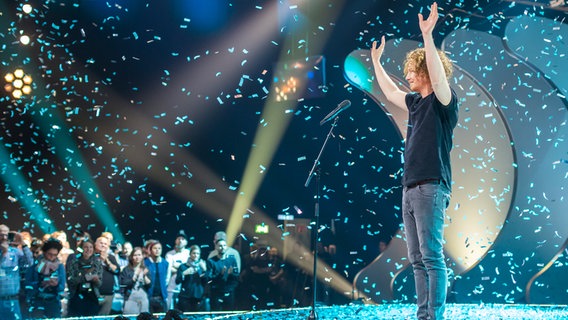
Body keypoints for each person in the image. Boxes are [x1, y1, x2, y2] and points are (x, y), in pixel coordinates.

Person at [371, 3, 458, 319]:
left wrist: (428, 37)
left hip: (431, 186)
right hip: (409, 188)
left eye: (411, 69)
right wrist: (376, 63)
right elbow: (391, 92)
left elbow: (437, 75)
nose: (406, 74)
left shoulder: (443, 101)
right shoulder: (415, 104)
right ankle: (424, 314)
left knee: (432, 256)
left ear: (424, 71)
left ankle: (432, 316)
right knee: (417, 258)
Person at [25, 237, 66, 319]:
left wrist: (56, 285)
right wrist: (40, 284)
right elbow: (27, 285)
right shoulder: (34, 267)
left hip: (53, 302)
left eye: (55, 255)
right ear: (44, 252)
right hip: (37, 302)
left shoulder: (59, 267)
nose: (52, 257)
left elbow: (62, 287)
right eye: (49, 254)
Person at [0, 225, 33, 320]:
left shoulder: (15, 252)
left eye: (6, 235)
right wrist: (3, 253)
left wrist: (23, 243)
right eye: (1, 235)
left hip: (13, 300)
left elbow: (30, 263)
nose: (4, 238)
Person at [66, 239, 103, 317]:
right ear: (81, 248)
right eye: (86, 247)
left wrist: (96, 280)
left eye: (91, 247)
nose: (88, 250)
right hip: (76, 296)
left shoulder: (97, 263)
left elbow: (100, 284)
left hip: (92, 297)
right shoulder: (74, 262)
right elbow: (70, 280)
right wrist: (86, 277)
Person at [207, 237, 240, 311]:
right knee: (216, 314)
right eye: (220, 246)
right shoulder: (211, 261)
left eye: (224, 245)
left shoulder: (232, 260)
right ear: (216, 247)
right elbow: (209, 279)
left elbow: (236, 276)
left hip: (229, 292)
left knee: (228, 314)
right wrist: (221, 274)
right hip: (216, 293)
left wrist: (231, 274)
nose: (223, 247)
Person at [120, 247, 151, 315]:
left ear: (142, 256)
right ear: (132, 257)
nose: (137, 257)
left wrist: (144, 276)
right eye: (135, 255)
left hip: (143, 299)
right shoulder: (126, 269)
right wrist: (135, 276)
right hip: (130, 299)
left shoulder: (146, 269)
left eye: (139, 255)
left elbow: (149, 285)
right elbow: (124, 283)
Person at [176, 245, 207, 312]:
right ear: (190, 254)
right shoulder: (183, 266)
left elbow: (206, 281)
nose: (196, 255)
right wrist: (183, 274)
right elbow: (177, 281)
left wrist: (204, 270)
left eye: (197, 253)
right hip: (185, 297)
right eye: (194, 253)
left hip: (199, 297)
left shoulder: (202, 265)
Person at [95, 235, 121, 315]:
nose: (103, 245)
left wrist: (107, 261)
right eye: (101, 243)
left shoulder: (111, 257)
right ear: (95, 244)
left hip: (108, 294)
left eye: (105, 244)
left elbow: (117, 270)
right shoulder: (91, 257)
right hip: (94, 295)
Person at [165, 230, 190, 310]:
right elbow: (169, 269)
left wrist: (176, 267)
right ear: (175, 240)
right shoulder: (169, 254)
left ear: (186, 242)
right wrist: (182, 269)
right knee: (170, 310)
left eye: (183, 239)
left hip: (185, 288)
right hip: (171, 287)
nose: (180, 240)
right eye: (178, 238)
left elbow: (190, 268)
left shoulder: (189, 253)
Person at [144, 240, 169, 313]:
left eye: (159, 248)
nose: (157, 250)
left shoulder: (165, 263)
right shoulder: (145, 262)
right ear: (150, 250)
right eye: (155, 248)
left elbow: (167, 278)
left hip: (162, 297)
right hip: (149, 296)